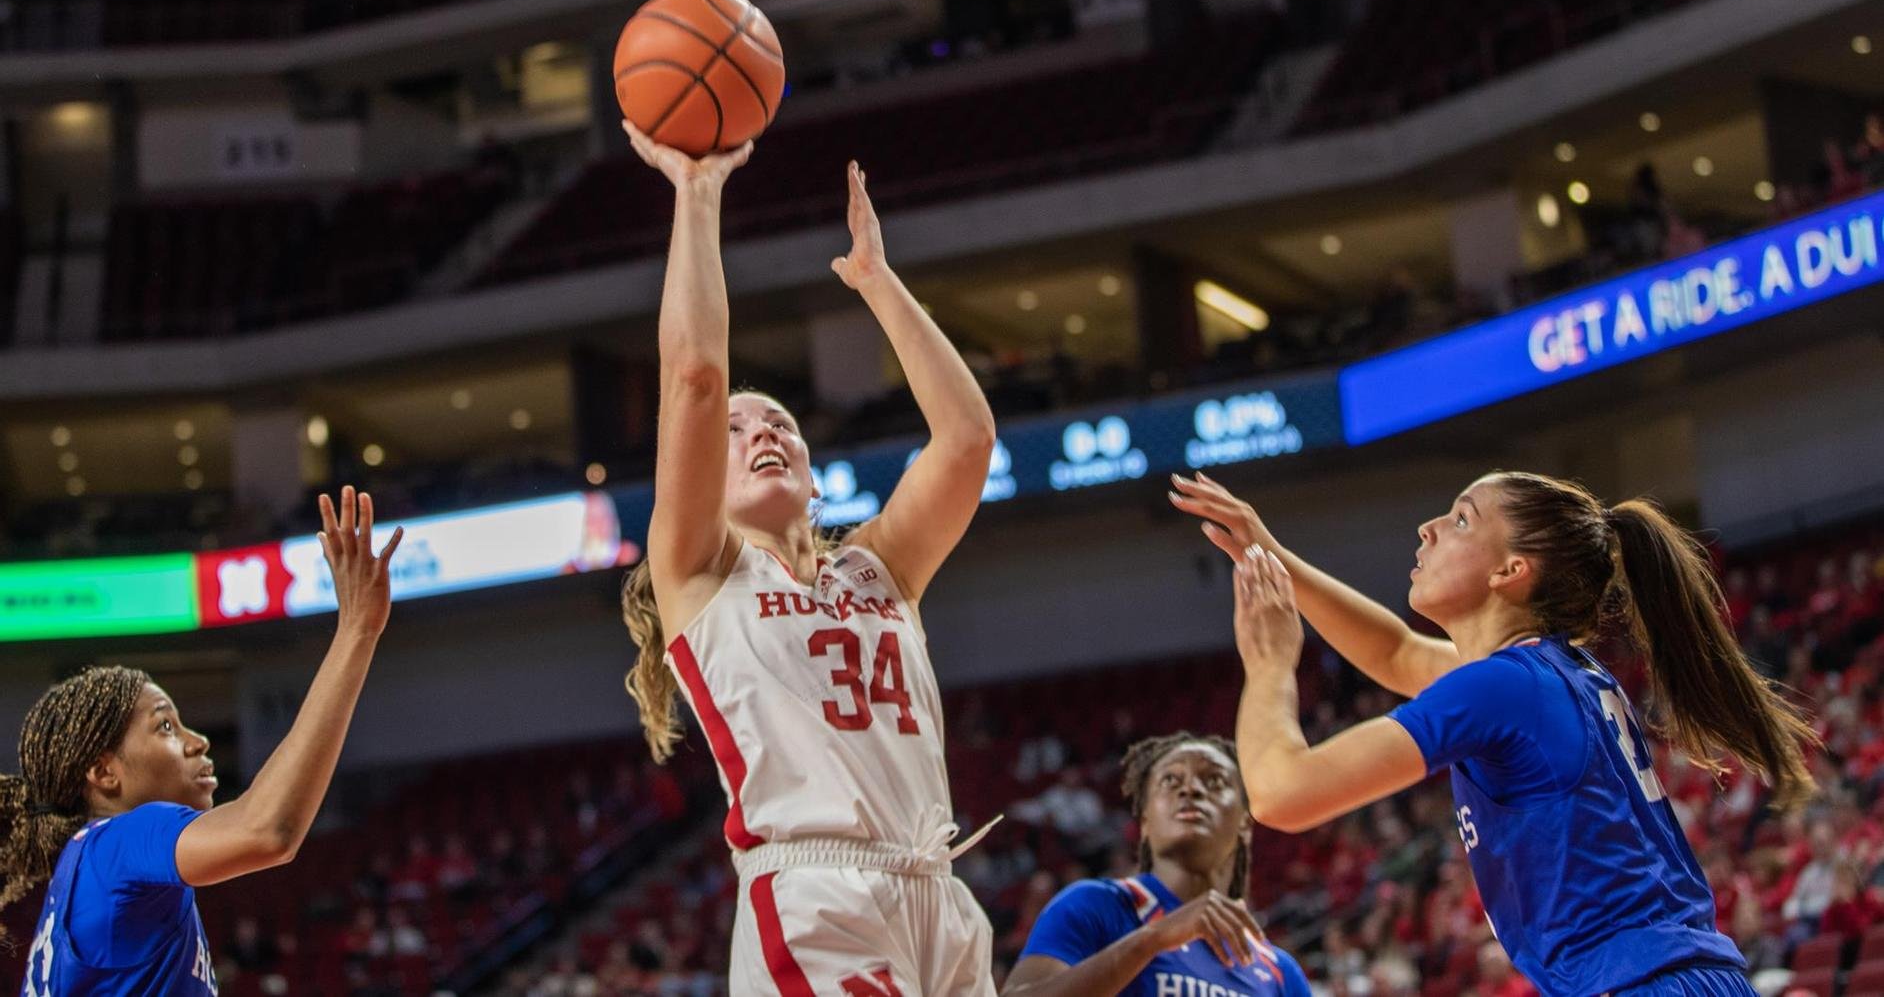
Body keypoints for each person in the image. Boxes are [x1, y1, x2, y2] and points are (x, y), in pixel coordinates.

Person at [1168, 469, 1816, 996]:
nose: (1426, 529)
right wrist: (1271, 554)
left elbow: (1284, 793)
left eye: (1459, 520)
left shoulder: (1506, 687)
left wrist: (1269, 664)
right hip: (1680, 976)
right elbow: (1394, 654)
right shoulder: (1543, 675)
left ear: (1511, 572)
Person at [617, 120, 1000, 995]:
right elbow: (696, 378)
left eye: (780, 422)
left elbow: (968, 439)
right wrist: (698, 189)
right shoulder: (702, 575)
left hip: (938, 893)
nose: (762, 433)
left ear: (816, 475)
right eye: (737, 431)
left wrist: (878, 282)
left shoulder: (879, 570)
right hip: (817, 895)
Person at [2, 487, 401, 995]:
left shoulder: (86, 870)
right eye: (165, 726)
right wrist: (356, 633)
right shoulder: (119, 842)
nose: (197, 741)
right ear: (104, 773)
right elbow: (268, 830)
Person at [1001, 732, 1311, 997]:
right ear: (1145, 819)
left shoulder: (1278, 970)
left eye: (1214, 780)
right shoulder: (1097, 905)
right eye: (1170, 780)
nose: (1190, 790)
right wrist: (1153, 939)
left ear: (1245, 821)